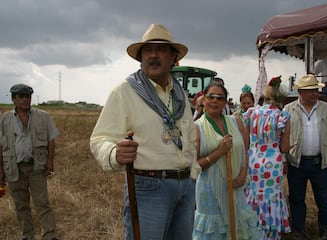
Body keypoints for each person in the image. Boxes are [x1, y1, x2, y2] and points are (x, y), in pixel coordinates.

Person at [89, 24, 200, 240]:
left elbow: (191, 138)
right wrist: (114, 154)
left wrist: (193, 175)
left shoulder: (180, 95)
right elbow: (100, 139)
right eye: (148, 50)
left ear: (173, 58)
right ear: (141, 58)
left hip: (185, 188)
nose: (153, 55)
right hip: (149, 187)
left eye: (160, 50)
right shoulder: (124, 92)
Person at [192, 82, 263, 239]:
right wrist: (219, 152)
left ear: (225, 102)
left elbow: (245, 150)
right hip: (210, 190)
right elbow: (194, 165)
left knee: (238, 225)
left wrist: (243, 175)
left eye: (220, 98)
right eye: (211, 97)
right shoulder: (196, 128)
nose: (215, 101)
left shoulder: (236, 121)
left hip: (236, 186)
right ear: (204, 100)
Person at [284, 74, 327, 240]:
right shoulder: (288, 110)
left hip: (320, 163)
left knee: (324, 200)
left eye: (316, 90)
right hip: (297, 163)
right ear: (301, 92)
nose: (315, 94)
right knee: (296, 199)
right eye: (311, 91)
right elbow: (282, 136)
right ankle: (299, 232)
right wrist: (283, 160)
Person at [0, 84, 59, 240]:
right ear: (14, 99)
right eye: (21, 97)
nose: (25, 100)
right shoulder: (5, 119)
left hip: (36, 166)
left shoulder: (43, 116)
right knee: (21, 204)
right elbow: (1, 145)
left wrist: (50, 160)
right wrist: (0, 170)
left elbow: (51, 139)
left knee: (42, 202)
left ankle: (50, 235)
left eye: (28, 96)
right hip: (14, 167)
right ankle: (27, 235)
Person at [243, 76, 291, 239]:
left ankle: (252, 232)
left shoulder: (251, 113)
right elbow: (285, 147)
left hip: (254, 160)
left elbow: (246, 140)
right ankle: (270, 234)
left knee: (253, 195)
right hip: (273, 162)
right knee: (271, 197)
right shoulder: (282, 116)